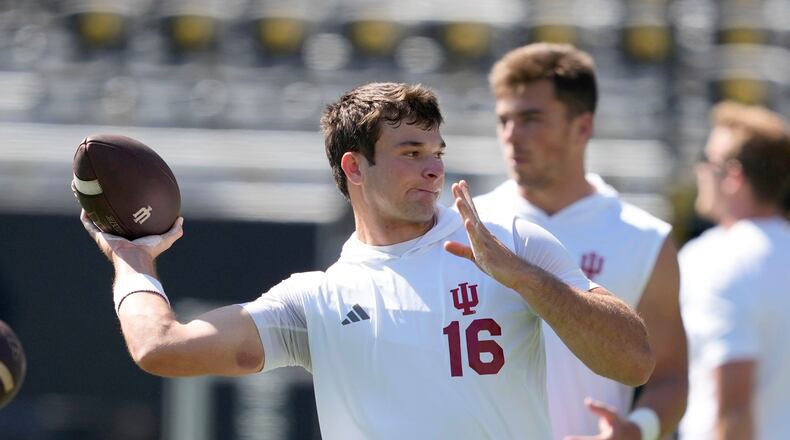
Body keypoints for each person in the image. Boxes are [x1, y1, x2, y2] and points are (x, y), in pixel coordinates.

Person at [81, 82, 654, 439]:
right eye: (411, 153)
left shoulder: (509, 242)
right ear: (354, 168)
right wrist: (133, 264)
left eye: (437, 153)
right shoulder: (317, 300)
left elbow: (633, 360)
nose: (433, 169)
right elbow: (161, 349)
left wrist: (527, 281)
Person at [473, 43, 688, 440]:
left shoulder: (644, 238)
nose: (512, 135)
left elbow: (670, 378)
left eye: (531, 118)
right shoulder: (467, 226)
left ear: (582, 127)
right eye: (504, 120)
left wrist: (637, 431)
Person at [678, 102, 790, 440]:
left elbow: (735, 409)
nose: (699, 171)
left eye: (706, 161)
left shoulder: (716, 258)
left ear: (733, 175)